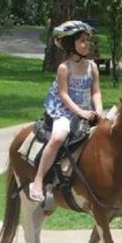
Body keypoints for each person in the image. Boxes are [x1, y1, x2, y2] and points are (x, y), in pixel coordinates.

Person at [30, 20, 104, 202]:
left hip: (86, 110)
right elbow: (64, 95)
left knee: (110, 131)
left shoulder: (92, 67)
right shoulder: (65, 68)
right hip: (64, 111)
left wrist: (99, 110)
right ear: (71, 44)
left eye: (88, 40)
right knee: (58, 137)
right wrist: (80, 112)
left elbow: (96, 91)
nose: (86, 44)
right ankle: (38, 180)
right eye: (82, 41)